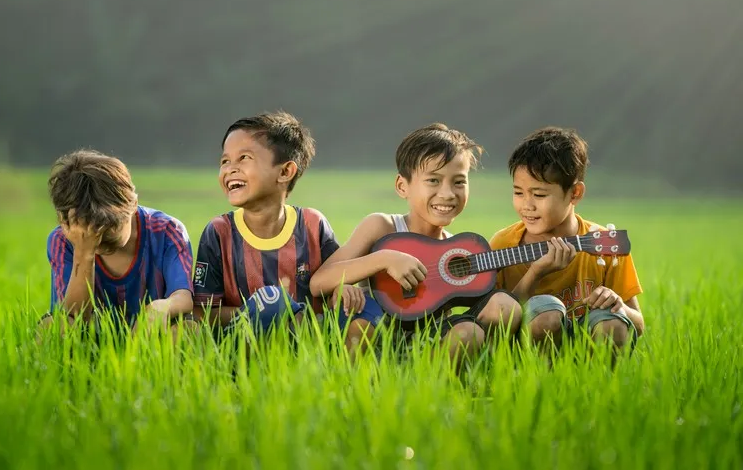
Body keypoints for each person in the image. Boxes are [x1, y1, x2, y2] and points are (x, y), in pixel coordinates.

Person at [310, 123, 522, 368]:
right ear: (403, 186)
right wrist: (385, 259)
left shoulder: (457, 250)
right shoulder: (383, 226)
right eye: (433, 180)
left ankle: (441, 384)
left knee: (483, 323)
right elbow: (319, 282)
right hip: (378, 335)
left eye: (459, 182)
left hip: (431, 342)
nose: (447, 193)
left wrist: (539, 267)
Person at [192, 111, 377, 345]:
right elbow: (203, 312)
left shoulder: (312, 224)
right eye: (225, 161)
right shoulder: (219, 232)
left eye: (244, 158)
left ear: (285, 172)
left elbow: (334, 284)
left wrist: (344, 289)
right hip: (244, 346)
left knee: (367, 304)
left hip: (311, 341)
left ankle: (352, 375)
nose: (231, 168)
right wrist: (273, 311)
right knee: (273, 300)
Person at [489, 127, 645, 353]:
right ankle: (542, 384)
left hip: (585, 347)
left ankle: (598, 386)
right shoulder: (503, 244)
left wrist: (619, 306)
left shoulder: (603, 245)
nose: (527, 205)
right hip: (524, 354)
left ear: (575, 193)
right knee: (546, 315)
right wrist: (535, 273)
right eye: (518, 193)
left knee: (612, 324)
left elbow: (638, 325)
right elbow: (494, 325)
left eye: (539, 194)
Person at [41, 150, 194, 340]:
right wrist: (84, 252)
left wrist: (159, 308)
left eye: (107, 227)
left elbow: (183, 296)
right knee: (53, 329)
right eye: (86, 229)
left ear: (133, 204)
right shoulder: (63, 240)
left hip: (153, 337)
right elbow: (73, 318)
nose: (96, 237)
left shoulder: (167, 231)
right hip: (92, 340)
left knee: (186, 330)